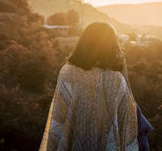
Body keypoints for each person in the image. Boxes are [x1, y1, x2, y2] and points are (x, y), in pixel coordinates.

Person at [39, 22, 152, 151]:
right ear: (111, 47)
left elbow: (58, 119)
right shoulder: (116, 79)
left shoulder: (68, 72)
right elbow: (125, 123)